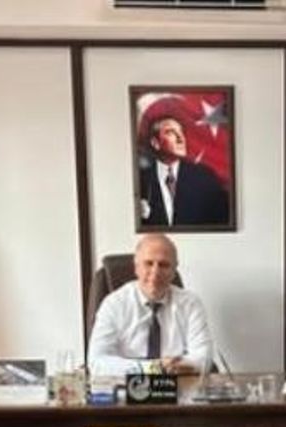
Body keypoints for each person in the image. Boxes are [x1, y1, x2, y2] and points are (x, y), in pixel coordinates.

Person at [88, 234, 214, 376]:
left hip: (176, 385)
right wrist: (153, 368)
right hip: (127, 386)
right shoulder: (114, 304)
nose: (155, 272)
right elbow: (97, 362)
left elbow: (204, 357)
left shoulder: (190, 304)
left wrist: (181, 366)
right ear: (136, 267)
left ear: (174, 270)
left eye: (164, 265)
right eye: (148, 263)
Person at [137, 114, 230, 227]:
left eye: (181, 132)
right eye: (171, 132)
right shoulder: (141, 180)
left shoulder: (204, 178)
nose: (180, 138)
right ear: (155, 143)